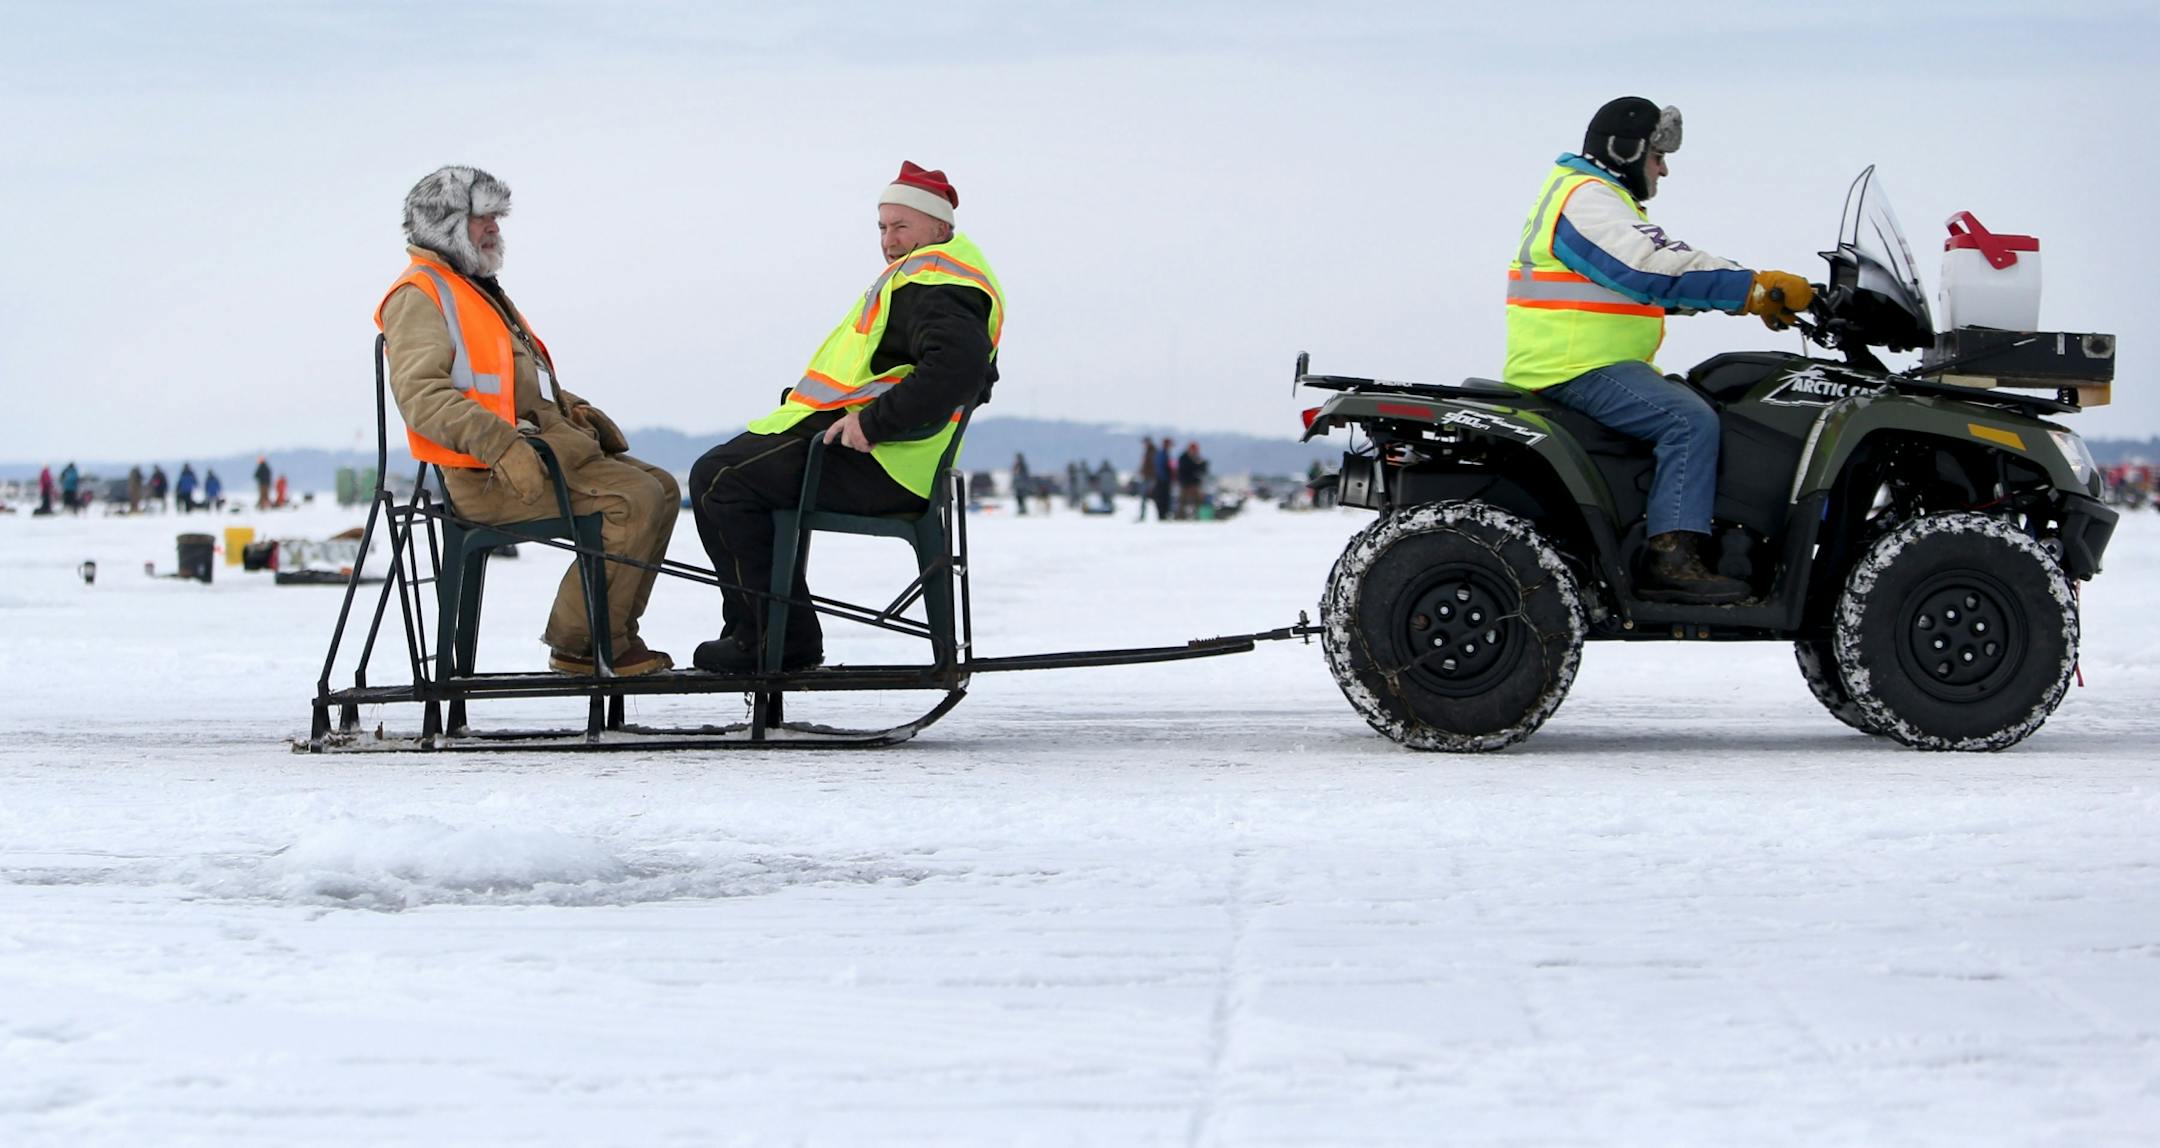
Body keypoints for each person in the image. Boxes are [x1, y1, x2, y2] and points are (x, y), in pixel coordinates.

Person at [688, 161, 1003, 672]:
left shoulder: (938, 277)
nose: (889, 238)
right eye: (882, 226)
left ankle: (772, 640)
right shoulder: (927, 274)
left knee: (721, 480)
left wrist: (873, 423)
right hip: (882, 453)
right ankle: (768, 631)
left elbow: (959, 367)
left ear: (939, 228)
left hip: (887, 462)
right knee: (726, 472)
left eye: (902, 225)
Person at [1503, 97, 1814, 604]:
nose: (1663, 170)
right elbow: (1648, 269)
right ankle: (1671, 557)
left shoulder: (1598, 199)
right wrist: (1753, 289)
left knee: (1717, 397)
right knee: (1687, 421)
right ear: (1624, 150)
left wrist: (1754, 293)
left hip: (1590, 363)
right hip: (1573, 367)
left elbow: (1663, 270)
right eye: (1657, 157)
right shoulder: (1585, 198)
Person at [380, 165, 678, 675]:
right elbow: (422, 396)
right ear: (446, 224)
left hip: (541, 453)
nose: (495, 227)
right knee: (634, 500)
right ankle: (581, 646)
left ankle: (613, 635)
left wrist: (573, 410)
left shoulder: (475, 288)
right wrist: (499, 446)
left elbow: (516, 385)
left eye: (497, 217)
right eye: (483, 218)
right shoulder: (420, 295)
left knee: (664, 488)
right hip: (487, 475)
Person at [1176, 442, 1207, 519]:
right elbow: (1185, 469)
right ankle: (1180, 517)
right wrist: (1196, 465)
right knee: (1182, 501)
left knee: (1198, 500)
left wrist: (1201, 464)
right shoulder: (1183, 458)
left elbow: (1202, 470)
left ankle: (1198, 516)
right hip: (1185, 483)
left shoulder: (1197, 458)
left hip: (1194, 483)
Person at [1151, 436, 1175, 522]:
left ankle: (1164, 514)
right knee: (1162, 498)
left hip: (1165, 480)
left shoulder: (1165, 454)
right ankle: (1162, 515)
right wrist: (1165, 478)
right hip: (1162, 480)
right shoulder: (1161, 454)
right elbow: (1160, 468)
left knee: (1165, 498)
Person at [1135, 438, 1157, 521]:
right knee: (1144, 497)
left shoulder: (1152, 452)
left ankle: (1159, 514)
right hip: (1147, 477)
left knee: (1150, 496)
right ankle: (1143, 515)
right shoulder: (1148, 451)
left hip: (1150, 477)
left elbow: (1152, 466)